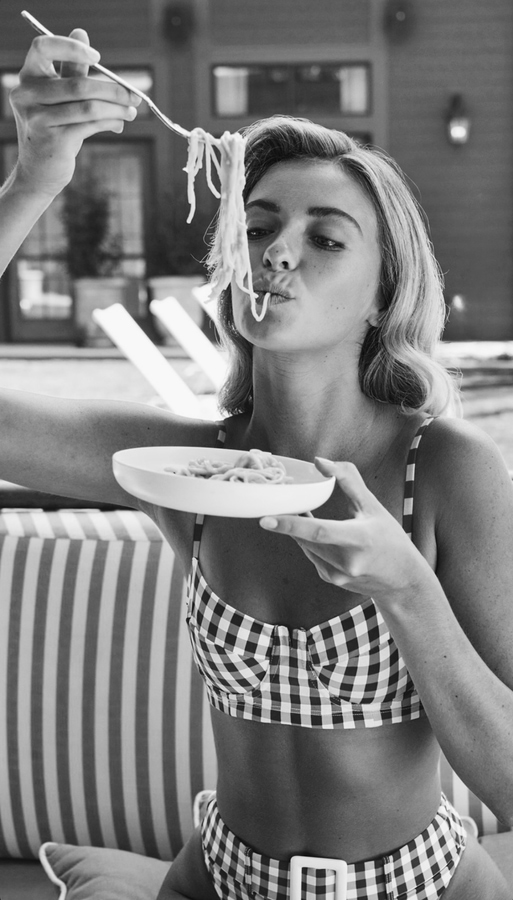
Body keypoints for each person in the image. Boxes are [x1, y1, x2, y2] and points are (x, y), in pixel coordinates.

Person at [2, 30, 513, 900]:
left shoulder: (444, 469)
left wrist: (406, 590)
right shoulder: (190, 472)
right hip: (218, 878)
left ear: (382, 295)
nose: (277, 252)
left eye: (327, 240)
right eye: (260, 225)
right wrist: (35, 178)